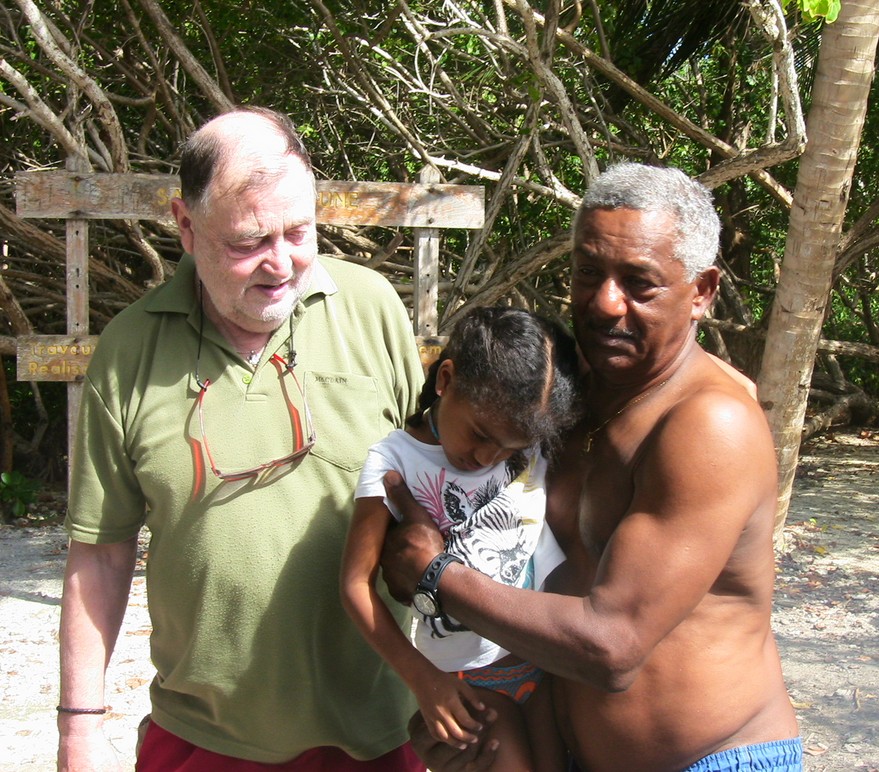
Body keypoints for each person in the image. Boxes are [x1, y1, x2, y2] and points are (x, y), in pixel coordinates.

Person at [380, 163, 803, 771]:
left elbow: (613, 645)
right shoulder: (559, 393)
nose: (605, 303)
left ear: (702, 292)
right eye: (587, 273)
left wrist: (437, 576)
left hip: (713, 758)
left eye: (639, 283)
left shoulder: (709, 425)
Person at [57, 107, 427, 771]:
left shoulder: (372, 309)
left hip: (376, 733)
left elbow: (441, 493)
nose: (281, 264)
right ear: (185, 225)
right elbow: (102, 554)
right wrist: (78, 732)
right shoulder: (129, 350)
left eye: (299, 232)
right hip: (203, 737)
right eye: (248, 242)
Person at [342, 306, 580, 772]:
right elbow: (354, 585)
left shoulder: (529, 436)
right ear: (446, 379)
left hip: (545, 659)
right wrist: (422, 679)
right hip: (470, 681)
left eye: (509, 449)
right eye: (480, 435)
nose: (488, 457)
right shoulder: (394, 462)